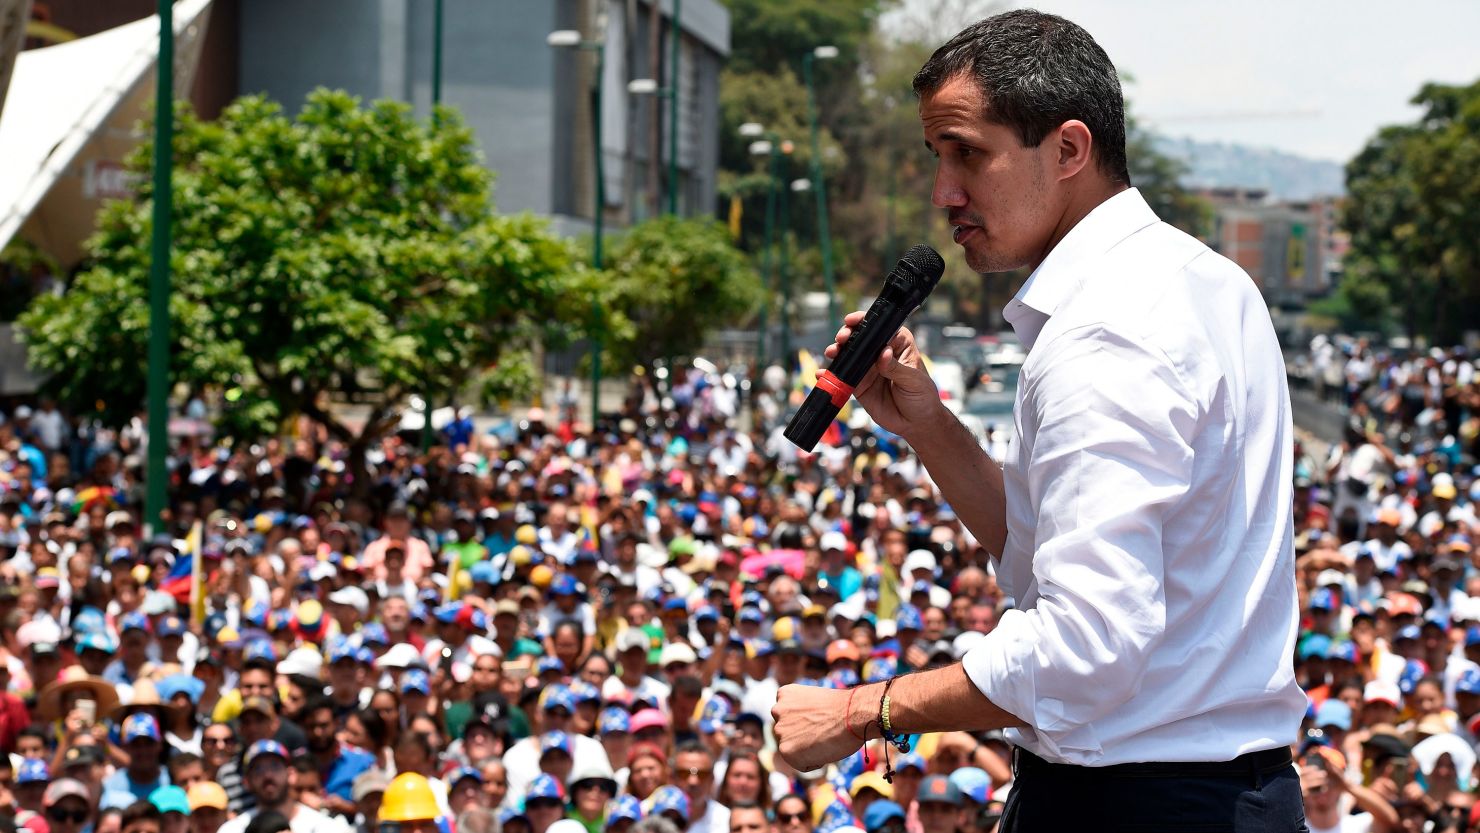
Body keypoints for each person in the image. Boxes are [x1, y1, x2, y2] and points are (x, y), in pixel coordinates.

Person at [770, 9, 1306, 831]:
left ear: (1068, 150)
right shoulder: (1204, 279)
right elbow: (1042, 549)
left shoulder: (1106, 330)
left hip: (1135, 803)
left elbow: (1086, 643)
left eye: (969, 154)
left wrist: (860, 710)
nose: (945, 192)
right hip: (1223, 791)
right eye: (938, 157)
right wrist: (930, 426)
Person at [216, 741, 351, 833]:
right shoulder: (233, 830)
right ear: (246, 781)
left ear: (291, 774)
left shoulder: (325, 827)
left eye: (275, 766)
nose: (267, 775)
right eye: (258, 769)